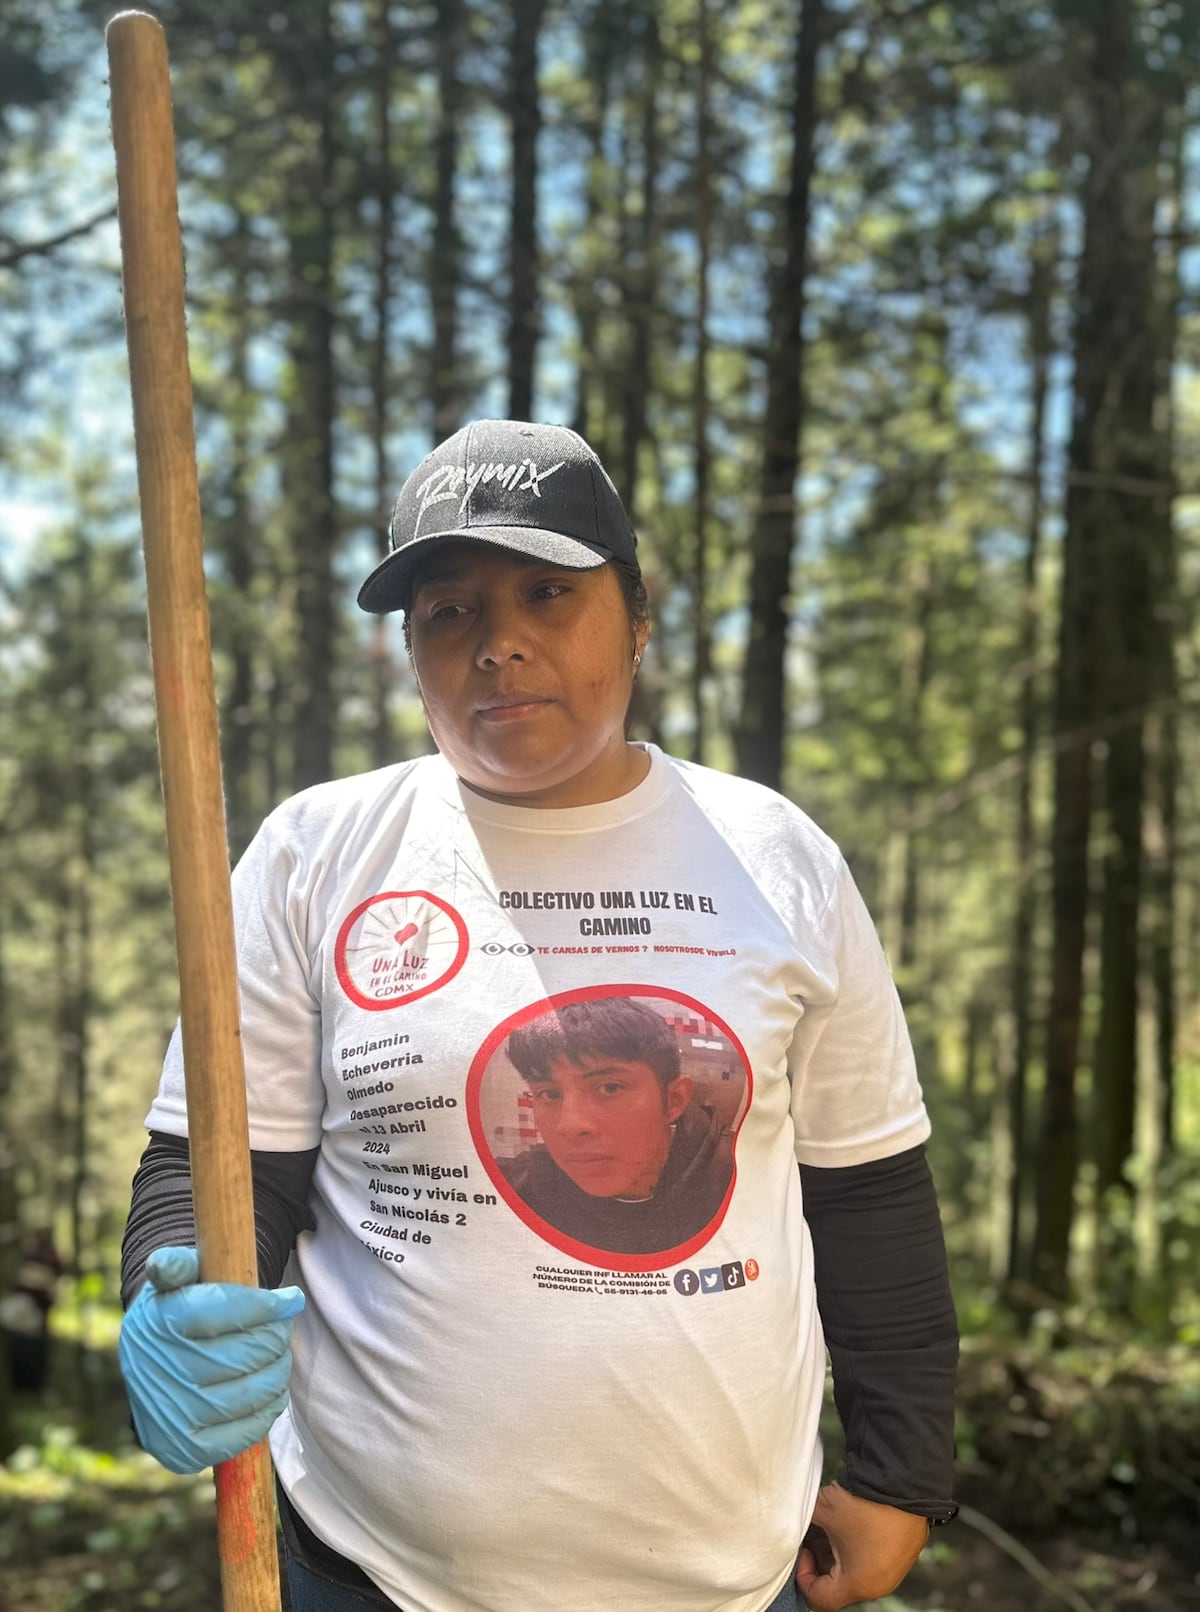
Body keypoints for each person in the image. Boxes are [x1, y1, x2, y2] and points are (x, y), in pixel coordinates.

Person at [118, 418, 958, 1612]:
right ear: (409, 649)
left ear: (637, 614)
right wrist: (172, 1294)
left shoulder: (778, 859)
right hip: (366, 1570)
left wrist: (900, 1470)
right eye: (449, 611)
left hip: (726, 1575)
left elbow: (869, 1191)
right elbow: (219, 1166)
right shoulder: (314, 854)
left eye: (546, 594)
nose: (498, 644)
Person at [493, 994, 736, 1254]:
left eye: (609, 1088)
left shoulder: (737, 1175)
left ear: (673, 1100)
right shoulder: (514, 1187)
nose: (570, 1125)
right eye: (550, 1094)